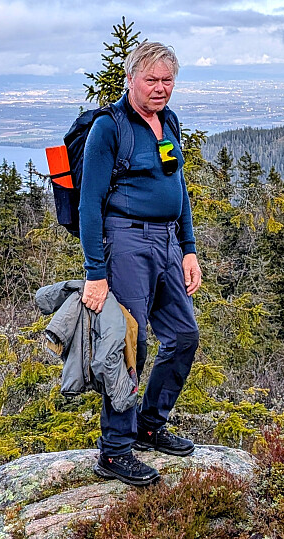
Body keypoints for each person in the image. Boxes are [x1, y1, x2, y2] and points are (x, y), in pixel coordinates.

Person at [78, 42, 202, 486]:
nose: (160, 88)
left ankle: (150, 425)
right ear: (130, 79)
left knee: (184, 335)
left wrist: (188, 247)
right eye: (151, 79)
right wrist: (96, 273)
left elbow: (179, 187)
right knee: (129, 347)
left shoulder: (168, 122)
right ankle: (114, 451)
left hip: (167, 244)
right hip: (126, 242)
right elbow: (89, 205)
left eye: (168, 80)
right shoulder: (109, 129)